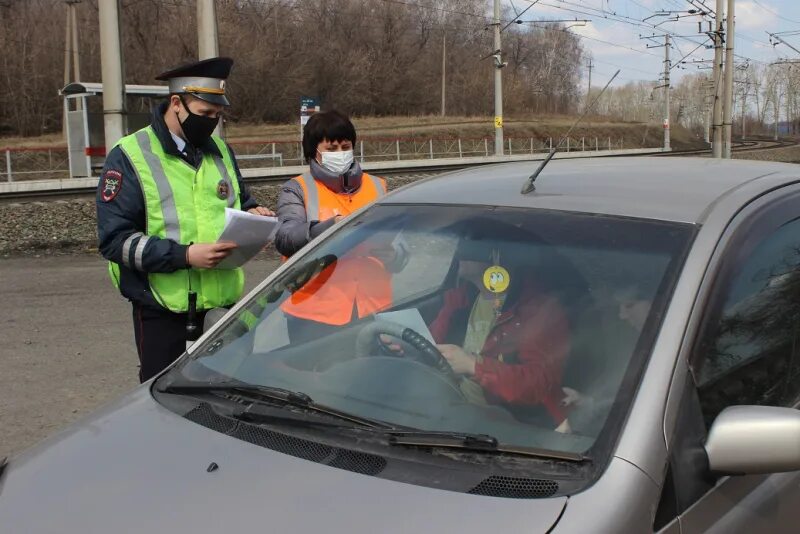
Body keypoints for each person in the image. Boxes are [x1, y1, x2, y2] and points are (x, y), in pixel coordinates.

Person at [96, 57, 274, 382]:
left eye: (217, 116)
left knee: (226, 401)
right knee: (164, 405)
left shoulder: (220, 150)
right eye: (205, 114)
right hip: (164, 312)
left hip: (222, 308)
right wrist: (186, 256)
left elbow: (237, 199)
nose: (211, 123)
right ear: (176, 103)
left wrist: (253, 215)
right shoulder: (130, 156)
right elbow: (115, 241)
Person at [275, 110, 405, 342]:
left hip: (372, 308)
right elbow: (285, 238)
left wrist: (393, 255)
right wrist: (327, 230)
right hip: (313, 313)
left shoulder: (378, 186)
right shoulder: (297, 189)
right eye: (332, 149)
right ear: (314, 151)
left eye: (345, 147)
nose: (341, 153)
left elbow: (402, 248)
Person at [427, 240, 571, 428]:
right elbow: (429, 342)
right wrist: (402, 344)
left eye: (471, 245)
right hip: (453, 406)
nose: (459, 251)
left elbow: (538, 384)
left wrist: (474, 366)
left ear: (496, 256)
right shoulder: (460, 298)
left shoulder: (538, 310)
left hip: (507, 424)